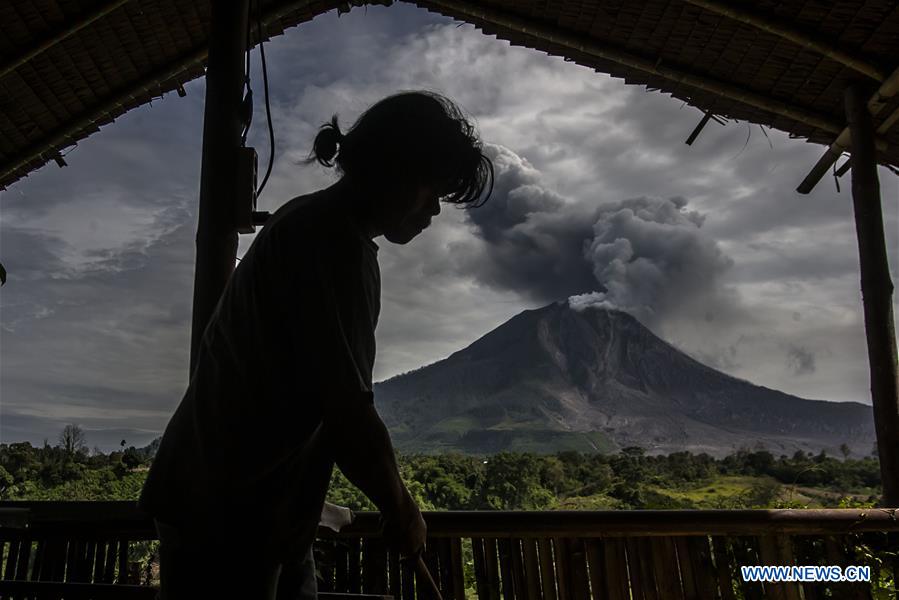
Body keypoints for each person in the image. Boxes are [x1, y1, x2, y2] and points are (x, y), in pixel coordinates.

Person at [138, 90, 494, 599]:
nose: (434, 210)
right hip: (226, 518)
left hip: (255, 513)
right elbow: (347, 411)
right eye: (429, 189)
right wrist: (402, 508)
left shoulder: (311, 224)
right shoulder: (331, 244)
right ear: (391, 169)